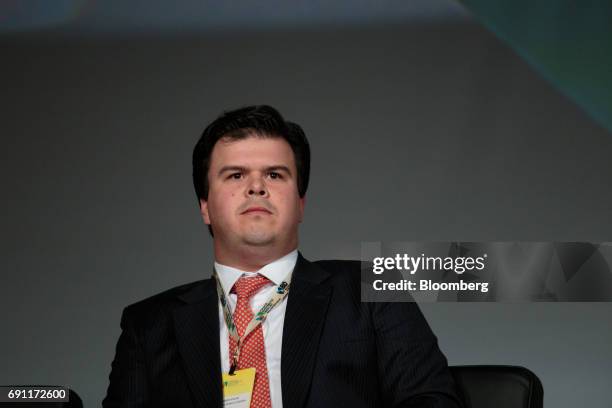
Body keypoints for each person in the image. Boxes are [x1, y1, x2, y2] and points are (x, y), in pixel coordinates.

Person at [103, 105, 461, 408]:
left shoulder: (372, 288)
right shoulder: (148, 325)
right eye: (235, 175)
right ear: (205, 208)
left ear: (300, 204)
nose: (256, 186)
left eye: (275, 174)